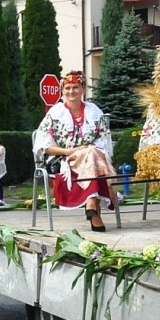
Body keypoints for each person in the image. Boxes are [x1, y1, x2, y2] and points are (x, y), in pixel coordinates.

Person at [33, 71, 115, 231]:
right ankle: (92, 205)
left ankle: (91, 203)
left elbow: (104, 139)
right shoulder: (55, 113)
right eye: (68, 88)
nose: (71, 91)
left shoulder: (94, 111)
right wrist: (69, 151)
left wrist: (88, 150)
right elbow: (43, 146)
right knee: (93, 155)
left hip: (93, 156)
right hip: (63, 159)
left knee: (93, 153)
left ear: (83, 89)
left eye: (76, 87)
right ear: (63, 91)